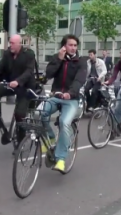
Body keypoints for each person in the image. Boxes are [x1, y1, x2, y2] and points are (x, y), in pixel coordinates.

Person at [41, 34, 87, 172]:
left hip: (71, 99)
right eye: (70, 45)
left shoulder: (81, 61)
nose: (73, 48)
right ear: (64, 46)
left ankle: (61, 159)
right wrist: (59, 60)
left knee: (64, 122)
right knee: (40, 113)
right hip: (56, 95)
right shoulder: (57, 58)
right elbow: (48, 74)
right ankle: (51, 137)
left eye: (75, 45)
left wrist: (70, 93)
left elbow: (80, 79)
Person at [0, 34, 35, 146]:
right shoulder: (7, 54)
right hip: (11, 85)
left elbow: (29, 71)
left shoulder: (28, 54)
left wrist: (18, 81)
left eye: (12, 43)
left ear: (19, 44)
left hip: (25, 87)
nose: (9, 45)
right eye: (9, 42)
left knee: (19, 114)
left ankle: (20, 143)